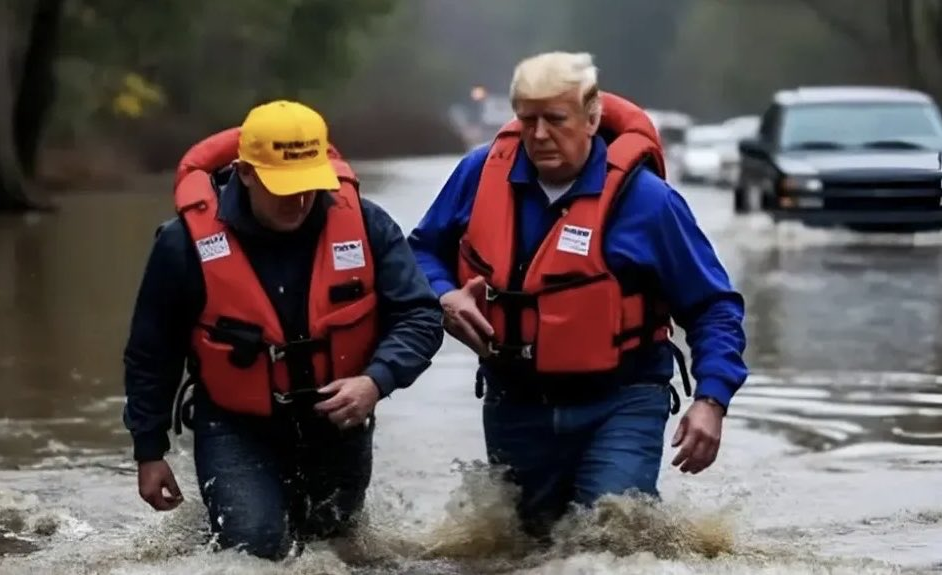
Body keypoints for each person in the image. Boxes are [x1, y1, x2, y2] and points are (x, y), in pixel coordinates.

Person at [408, 52, 748, 537]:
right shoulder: (480, 174)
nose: (540, 134)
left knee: (610, 539)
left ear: (591, 118)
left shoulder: (648, 202)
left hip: (623, 399)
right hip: (516, 401)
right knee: (527, 549)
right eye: (528, 119)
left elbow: (713, 306)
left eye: (555, 119)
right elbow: (420, 253)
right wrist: (444, 296)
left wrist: (711, 400)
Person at [122, 100, 444, 559]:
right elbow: (151, 352)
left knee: (334, 554)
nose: (298, 200)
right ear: (245, 173)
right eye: (283, 187)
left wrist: (376, 381)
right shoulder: (183, 244)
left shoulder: (366, 223)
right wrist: (149, 451)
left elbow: (420, 315)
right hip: (237, 426)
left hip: (337, 426)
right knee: (254, 548)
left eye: (309, 186)